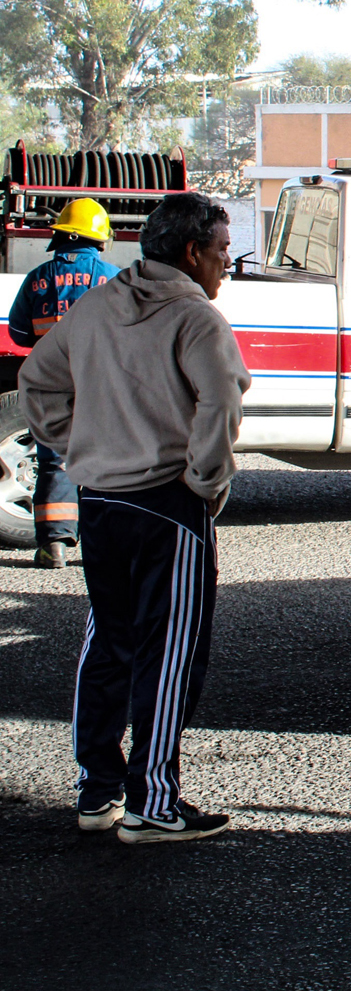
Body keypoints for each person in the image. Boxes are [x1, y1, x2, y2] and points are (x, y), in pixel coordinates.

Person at [20, 191, 250, 843]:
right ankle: (154, 803)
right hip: (168, 506)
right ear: (190, 252)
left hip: (100, 502)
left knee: (110, 641)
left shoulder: (98, 306)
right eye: (221, 252)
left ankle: (98, 792)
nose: (225, 266)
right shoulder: (196, 319)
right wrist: (204, 482)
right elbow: (220, 403)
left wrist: (77, 443)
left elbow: (38, 379)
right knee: (169, 653)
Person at [7, 197, 121, 568]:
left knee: (54, 459)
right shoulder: (114, 278)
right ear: (98, 237)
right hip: (98, 383)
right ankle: (103, 547)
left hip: (52, 383)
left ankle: (53, 545)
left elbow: (21, 333)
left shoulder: (38, 277)